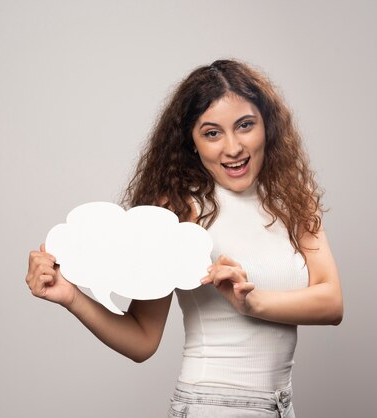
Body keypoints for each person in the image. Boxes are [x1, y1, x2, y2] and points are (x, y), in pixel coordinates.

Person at [26, 59, 343, 417]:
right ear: (191, 142)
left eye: (245, 125)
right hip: (211, 406)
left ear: (266, 126)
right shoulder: (178, 211)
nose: (233, 147)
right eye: (212, 133)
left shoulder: (293, 199)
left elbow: (332, 303)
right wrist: (71, 297)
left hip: (279, 406)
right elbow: (142, 339)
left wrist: (251, 303)